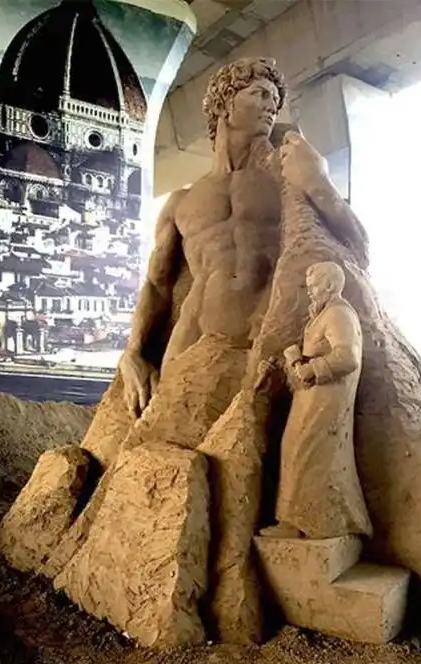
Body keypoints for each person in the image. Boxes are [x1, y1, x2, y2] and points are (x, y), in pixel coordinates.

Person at [117, 57, 370, 432]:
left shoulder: (288, 179)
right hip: (190, 340)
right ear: (225, 104)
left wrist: (318, 183)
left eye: (275, 101)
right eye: (260, 94)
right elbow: (157, 285)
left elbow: (358, 247)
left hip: (258, 342)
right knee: (162, 442)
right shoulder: (181, 202)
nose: (271, 107)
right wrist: (134, 352)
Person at [260, 261, 372, 539]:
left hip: (324, 398)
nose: (309, 291)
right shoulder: (326, 313)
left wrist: (310, 369)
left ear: (330, 286)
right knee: (301, 451)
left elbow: (347, 357)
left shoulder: (338, 314)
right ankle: (316, 521)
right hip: (313, 397)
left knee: (304, 453)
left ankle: (299, 523)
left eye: (313, 286)